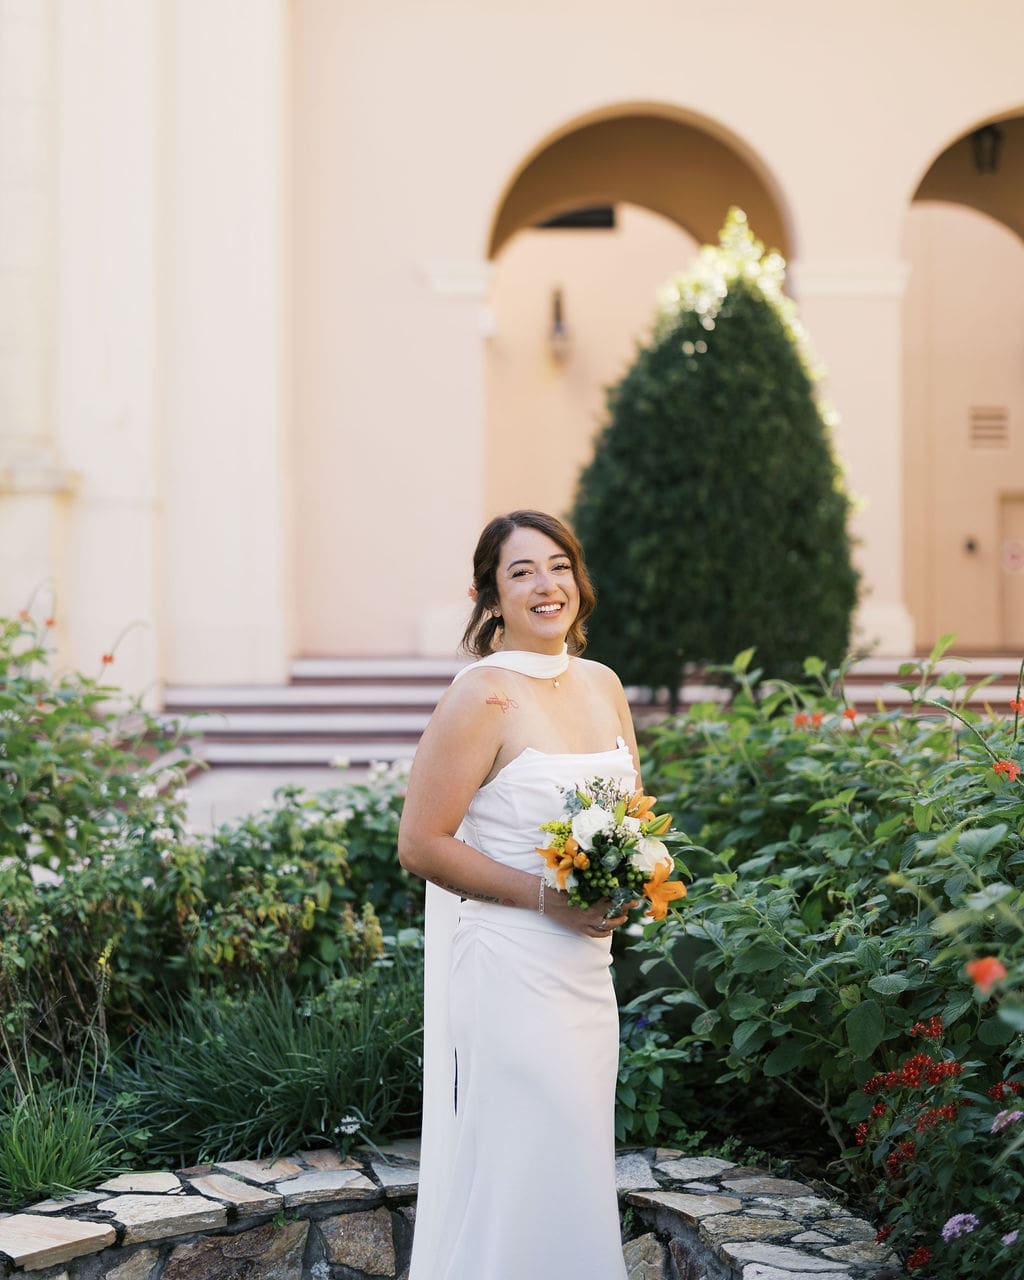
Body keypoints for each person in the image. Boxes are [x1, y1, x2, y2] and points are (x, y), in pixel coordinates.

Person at [398, 510, 640, 1280]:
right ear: (490, 596)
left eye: (560, 565)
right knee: (523, 1157)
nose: (547, 585)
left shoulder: (603, 685)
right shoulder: (482, 698)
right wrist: (546, 899)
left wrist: (629, 877)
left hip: (585, 967)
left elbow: (633, 813)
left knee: (572, 1157)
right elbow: (422, 844)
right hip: (511, 967)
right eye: (523, 571)